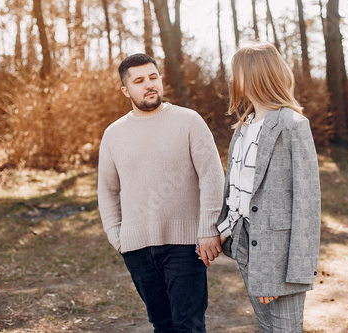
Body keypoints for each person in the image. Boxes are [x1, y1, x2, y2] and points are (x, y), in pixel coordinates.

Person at [98, 53, 224, 332]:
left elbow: (213, 176)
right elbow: (107, 190)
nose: (149, 84)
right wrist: (116, 235)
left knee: (188, 325)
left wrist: (206, 229)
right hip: (136, 248)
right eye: (139, 80)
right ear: (126, 90)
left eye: (153, 77)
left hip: (185, 245)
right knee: (162, 325)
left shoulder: (189, 121)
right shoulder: (113, 134)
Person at [215, 41, 321, 333]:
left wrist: (282, 276)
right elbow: (237, 194)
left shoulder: (292, 125)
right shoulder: (243, 127)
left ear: (255, 75)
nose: (232, 79)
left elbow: (307, 207)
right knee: (266, 328)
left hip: (280, 260)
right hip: (246, 245)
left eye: (236, 72)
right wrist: (219, 233)